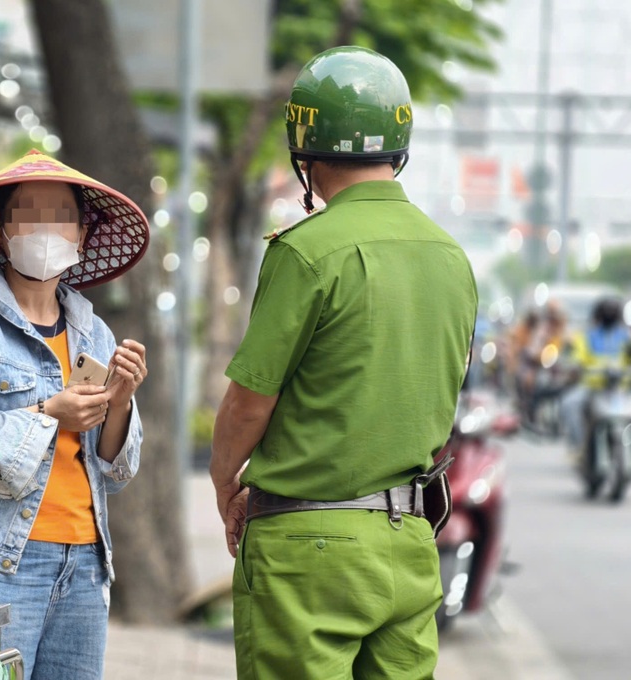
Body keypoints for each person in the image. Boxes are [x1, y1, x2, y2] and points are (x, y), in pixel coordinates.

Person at [210, 46, 477, 680]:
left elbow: (250, 401)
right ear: (399, 146)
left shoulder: (306, 253)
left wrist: (226, 484)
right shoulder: (452, 258)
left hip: (308, 554)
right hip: (410, 546)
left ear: (305, 153)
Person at [0, 149, 149, 680]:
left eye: (61, 215)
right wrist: (46, 414)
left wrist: (122, 400)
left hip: (86, 564)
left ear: (82, 234)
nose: (47, 228)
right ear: (1, 232)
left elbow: (114, 470)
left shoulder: (93, 331)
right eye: (29, 214)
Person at [561, 296, 631, 460]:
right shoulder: (588, 336)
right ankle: (579, 447)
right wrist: (575, 366)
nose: (609, 315)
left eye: (612, 312)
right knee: (569, 404)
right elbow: (577, 357)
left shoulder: (627, 337)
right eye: (606, 311)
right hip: (592, 387)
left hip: (620, 389)